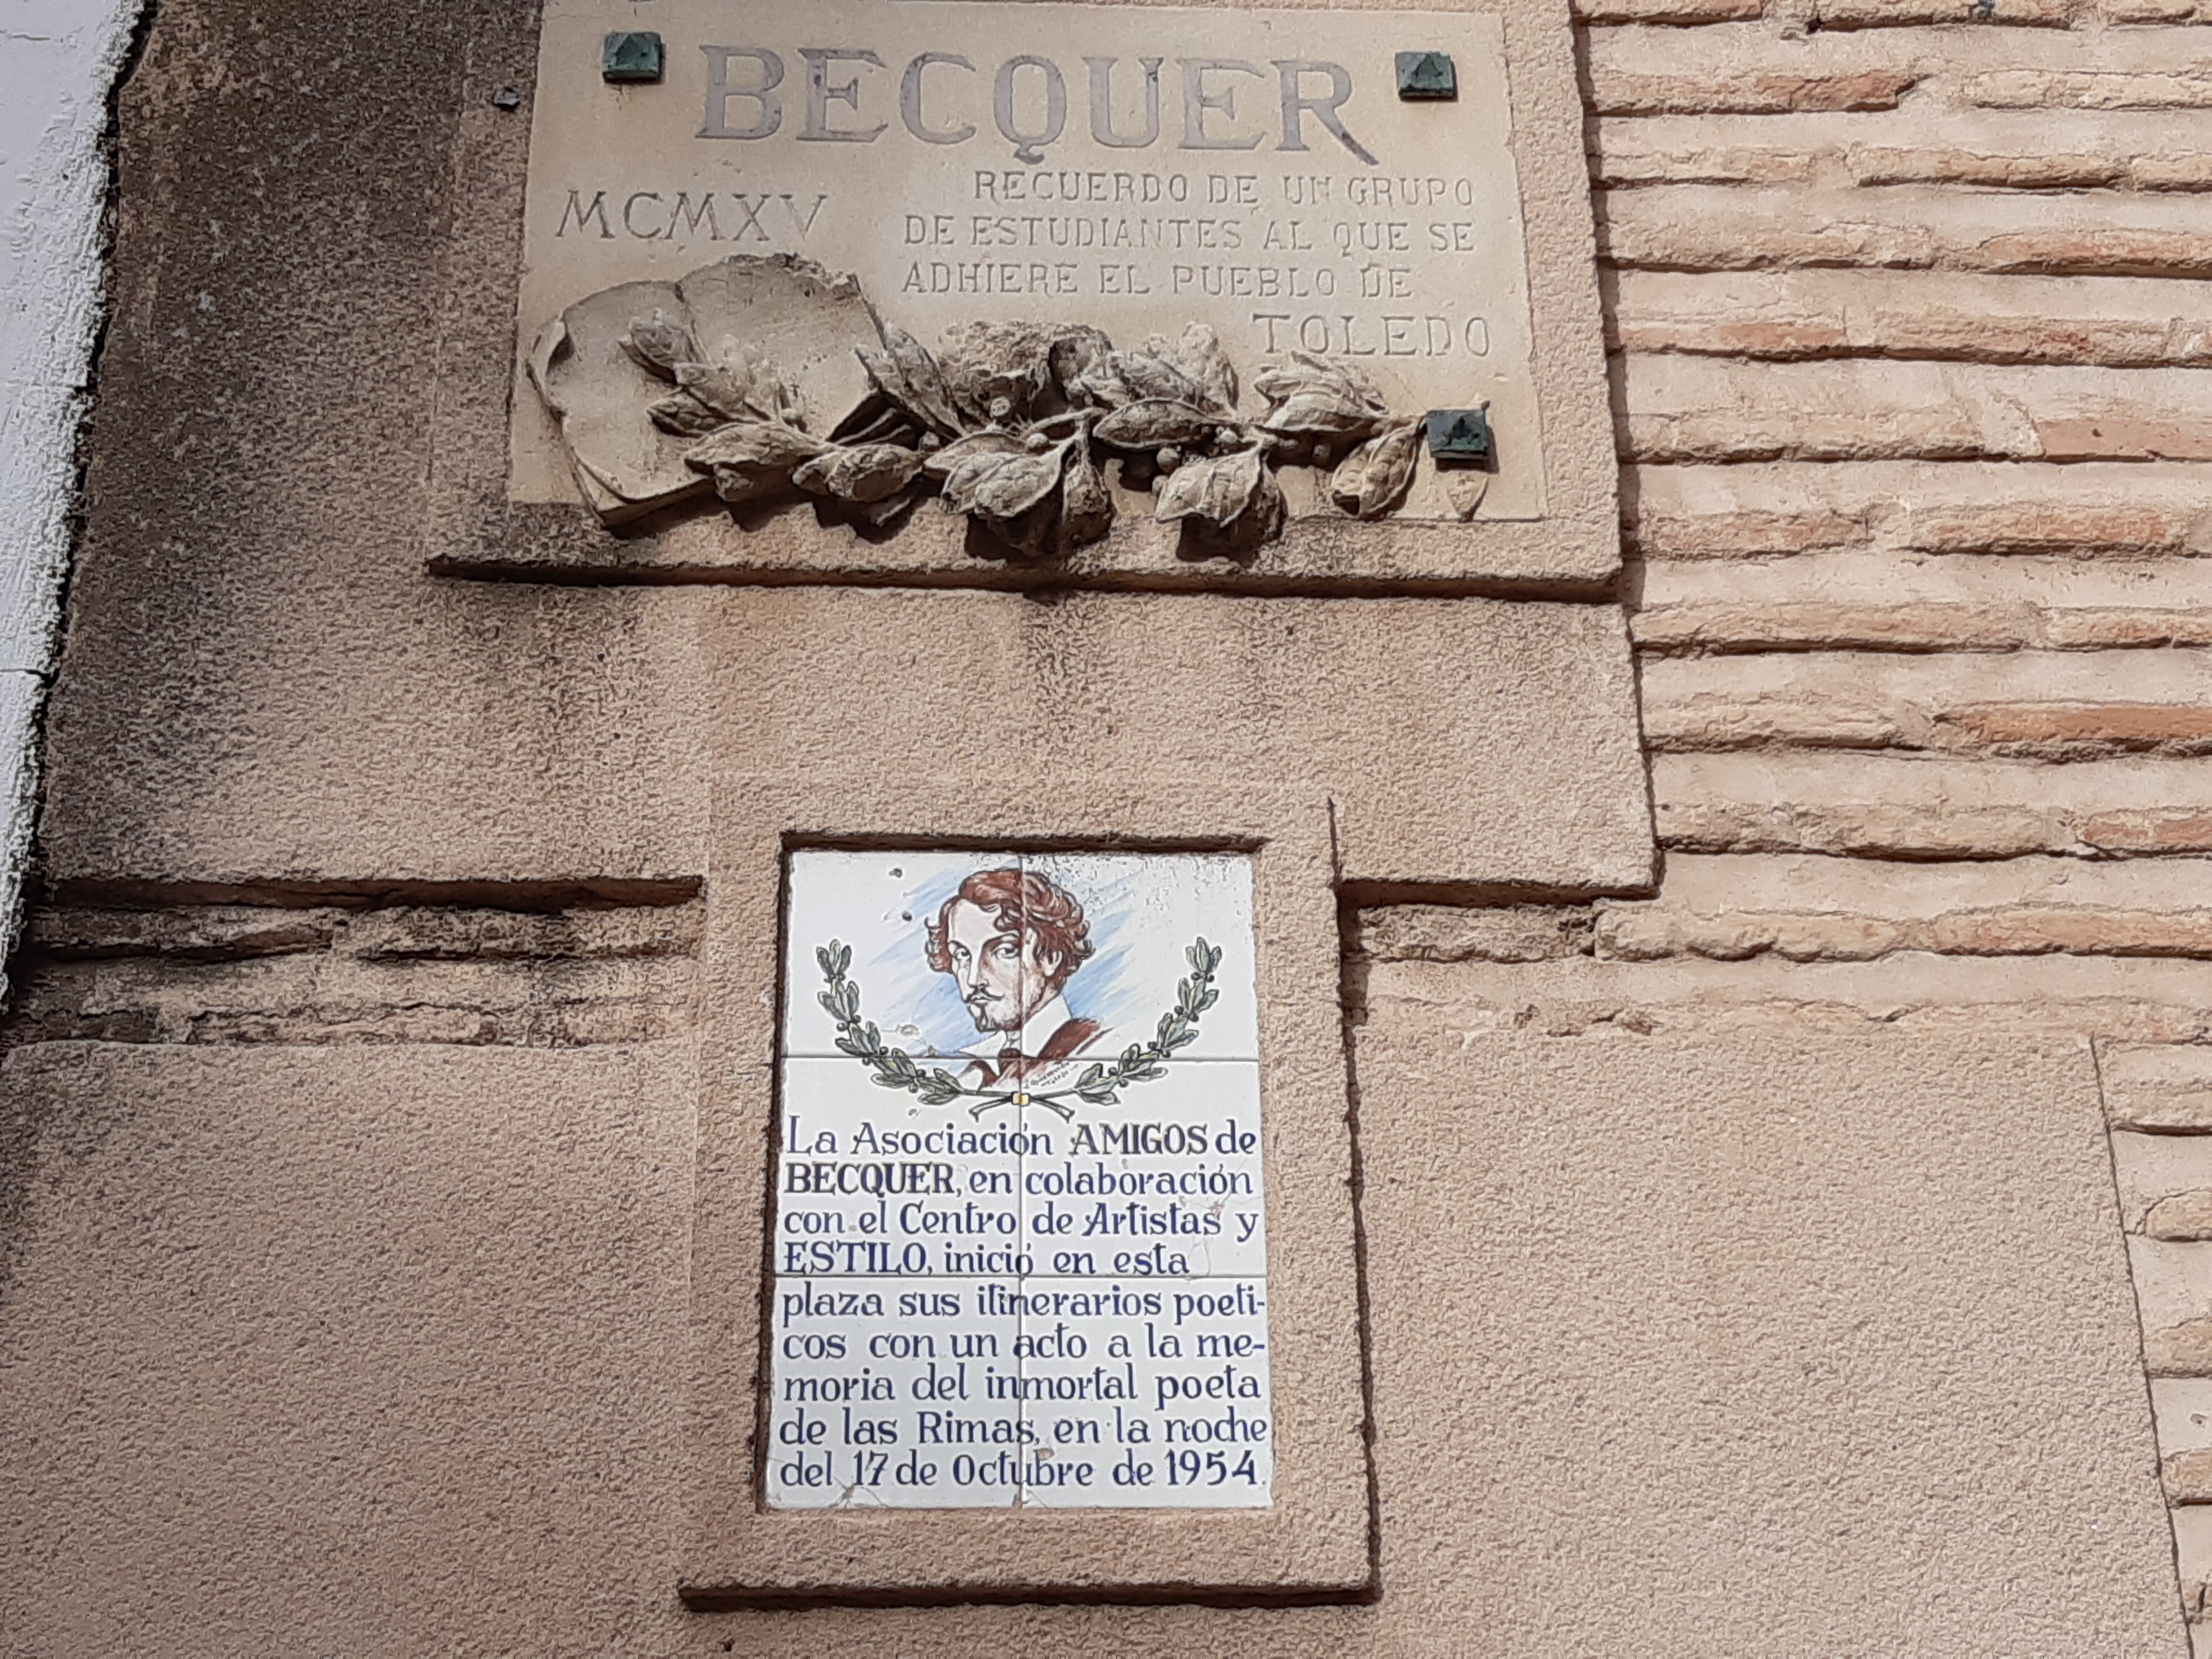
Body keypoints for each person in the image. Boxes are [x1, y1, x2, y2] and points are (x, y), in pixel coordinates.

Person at [924, 867, 1108, 1088]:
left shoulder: (1101, 1049)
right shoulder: (964, 1072)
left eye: (1004, 950)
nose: (974, 979)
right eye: (962, 954)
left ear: (1050, 957)